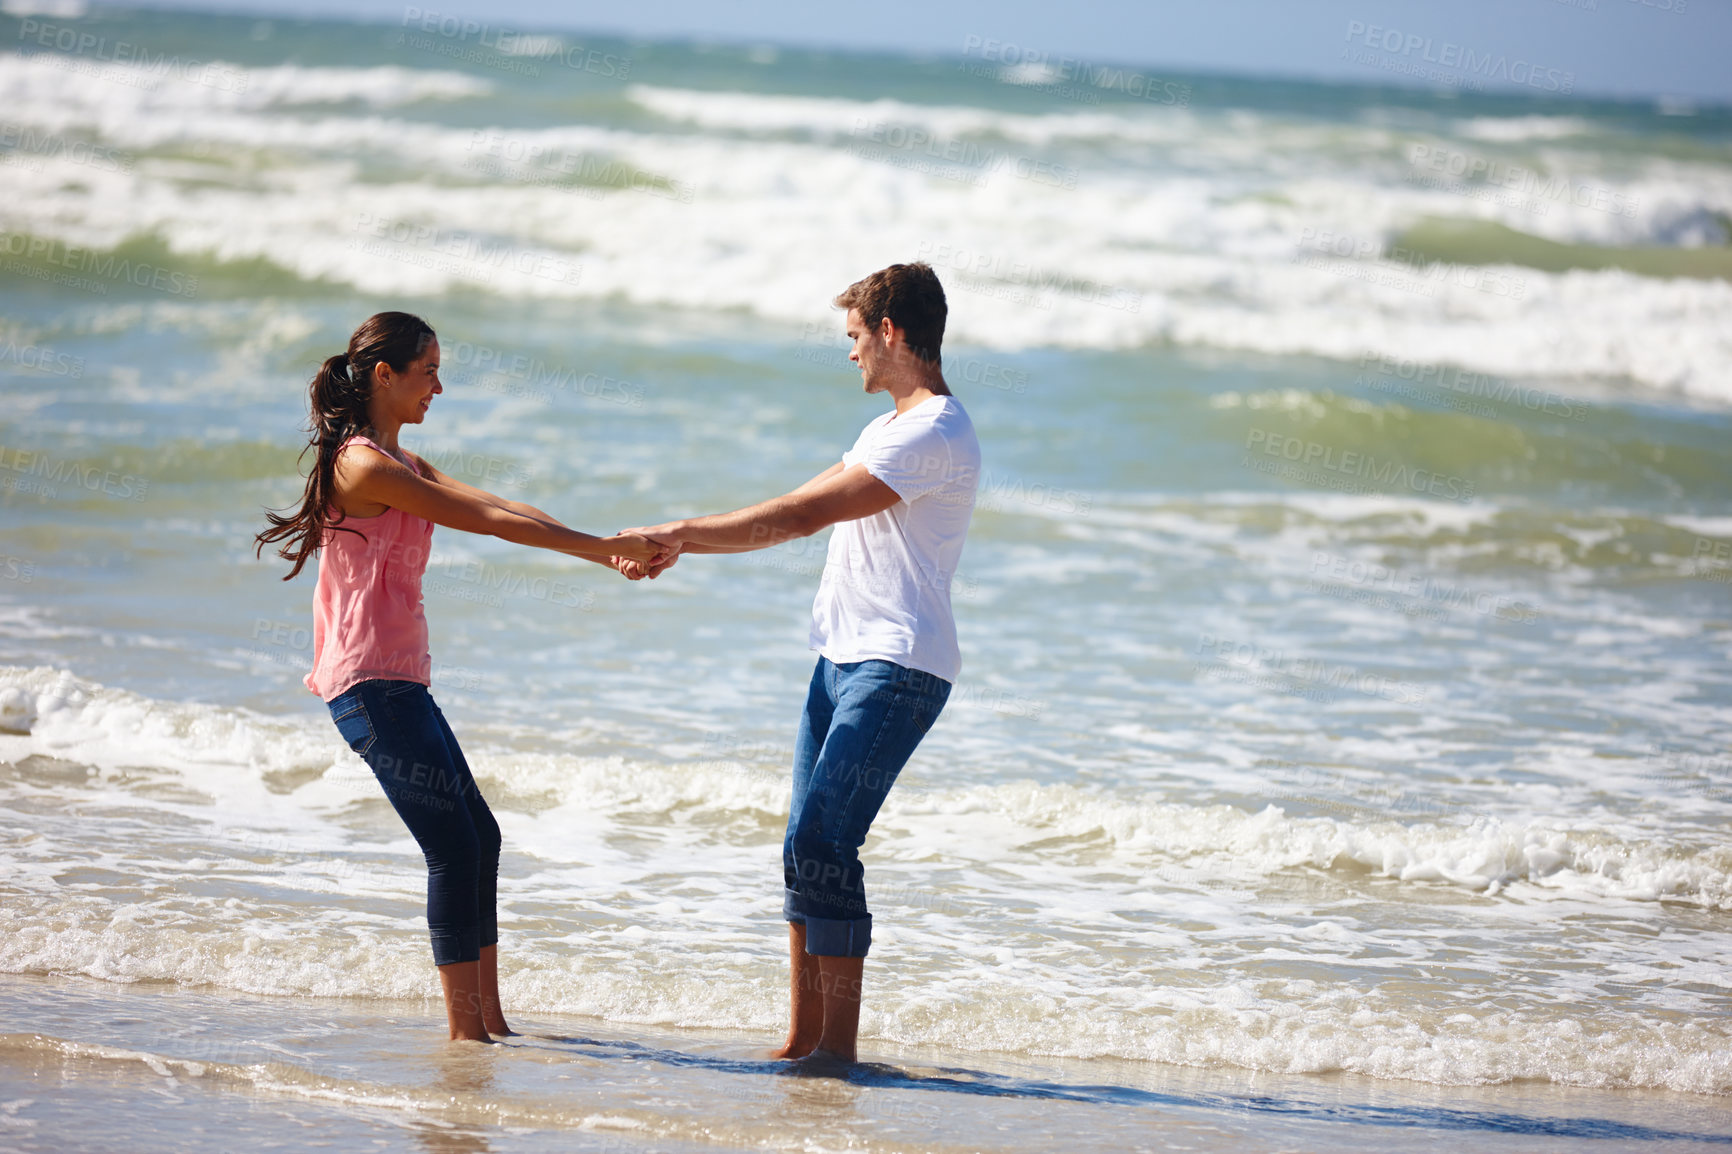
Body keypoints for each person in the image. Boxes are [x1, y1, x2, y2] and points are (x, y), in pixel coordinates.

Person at [256, 311, 666, 1042]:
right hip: (366, 685)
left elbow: (500, 506)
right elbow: (487, 524)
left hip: (400, 681)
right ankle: (465, 1035)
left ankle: (490, 1024)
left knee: (481, 836)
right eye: (429, 371)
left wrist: (605, 543)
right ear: (385, 375)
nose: (439, 386)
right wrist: (600, 552)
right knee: (453, 846)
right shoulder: (364, 467)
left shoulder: (402, 462)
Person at [618, 263, 980, 1063]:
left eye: (855, 338)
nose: (850, 355)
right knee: (799, 849)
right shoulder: (886, 429)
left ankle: (835, 1055)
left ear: (890, 333)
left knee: (825, 843)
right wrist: (685, 537)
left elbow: (803, 516)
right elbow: (799, 496)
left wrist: (680, 530)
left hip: (897, 665)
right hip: (841, 660)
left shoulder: (935, 431)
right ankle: (801, 1041)